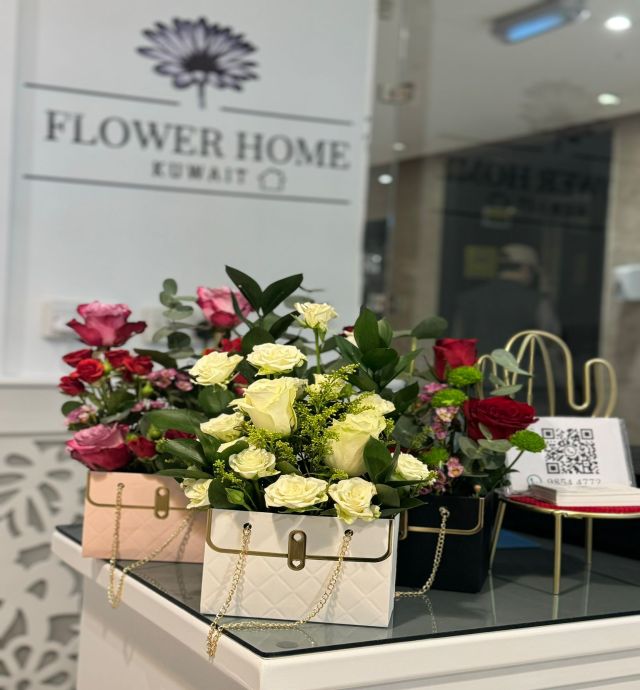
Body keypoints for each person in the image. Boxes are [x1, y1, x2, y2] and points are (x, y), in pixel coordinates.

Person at [452, 243, 560, 354]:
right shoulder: (537, 301)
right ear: (526, 269)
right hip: (521, 364)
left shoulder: (468, 298)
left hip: (480, 363)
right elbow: (551, 339)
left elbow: (458, 340)